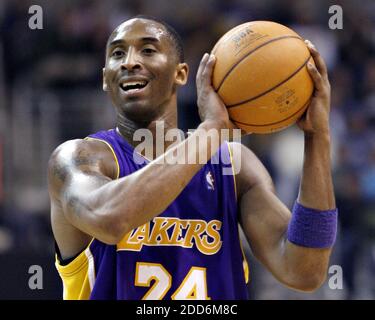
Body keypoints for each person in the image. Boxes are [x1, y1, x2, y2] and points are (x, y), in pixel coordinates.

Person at [48, 16, 337, 300]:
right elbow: (109, 221)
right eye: (118, 53)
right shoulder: (79, 158)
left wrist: (318, 137)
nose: (129, 62)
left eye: (148, 50)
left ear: (181, 74)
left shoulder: (234, 167)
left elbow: (304, 271)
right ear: (105, 79)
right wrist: (212, 130)